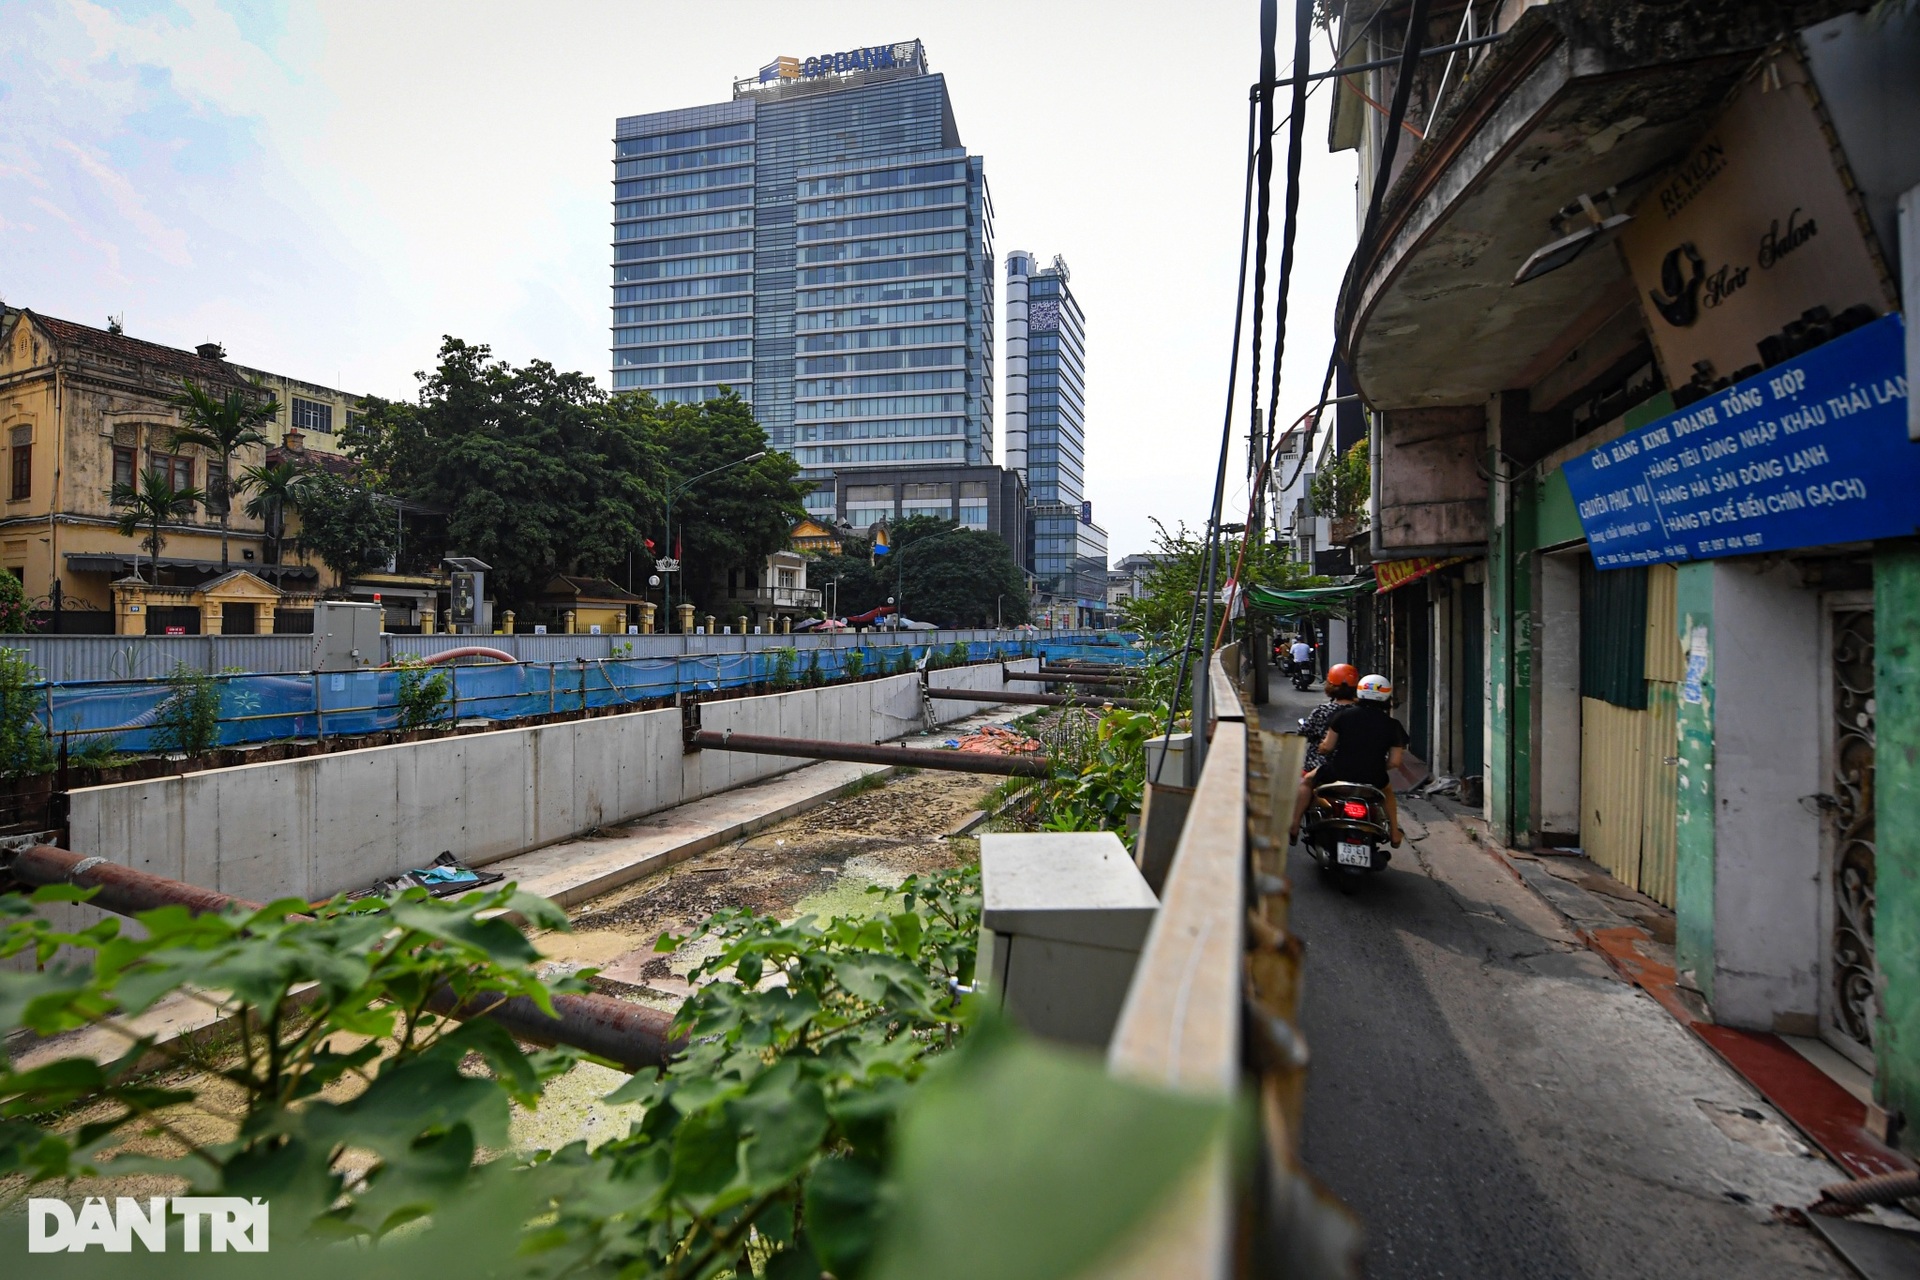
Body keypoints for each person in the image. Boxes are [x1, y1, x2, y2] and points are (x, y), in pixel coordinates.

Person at [1290, 673, 1408, 847]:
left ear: (1360, 692)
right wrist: (1374, 765)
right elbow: (1395, 762)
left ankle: (1293, 827)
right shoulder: (1393, 725)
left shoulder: (1343, 716)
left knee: (1307, 781)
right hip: (1373, 778)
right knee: (1387, 793)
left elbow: (1327, 747)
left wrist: (1322, 748)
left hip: (1337, 773)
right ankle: (1395, 833)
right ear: (1386, 696)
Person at [1300, 663, 1360, 773]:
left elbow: (1304, 734)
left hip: (1321, 767)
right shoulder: (1362, 712)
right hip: (1355, 766)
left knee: (1302, 785)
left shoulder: (1322, 711)